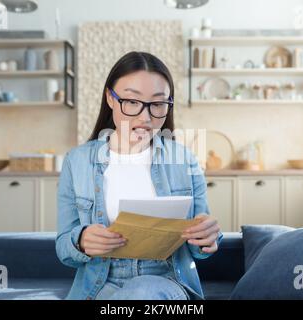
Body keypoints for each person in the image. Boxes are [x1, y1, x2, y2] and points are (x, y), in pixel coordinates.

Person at [56, 51, 223, 300]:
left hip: (165, 282)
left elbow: (200, 250)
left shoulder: (185, 159)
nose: (145, 117)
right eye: (132, 102)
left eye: (157, 104)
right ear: (110, 99)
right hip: (100, 285)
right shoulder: (76, 161)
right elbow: (63, 248)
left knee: (141, 292)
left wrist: (207, 238)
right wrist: (80, 241)